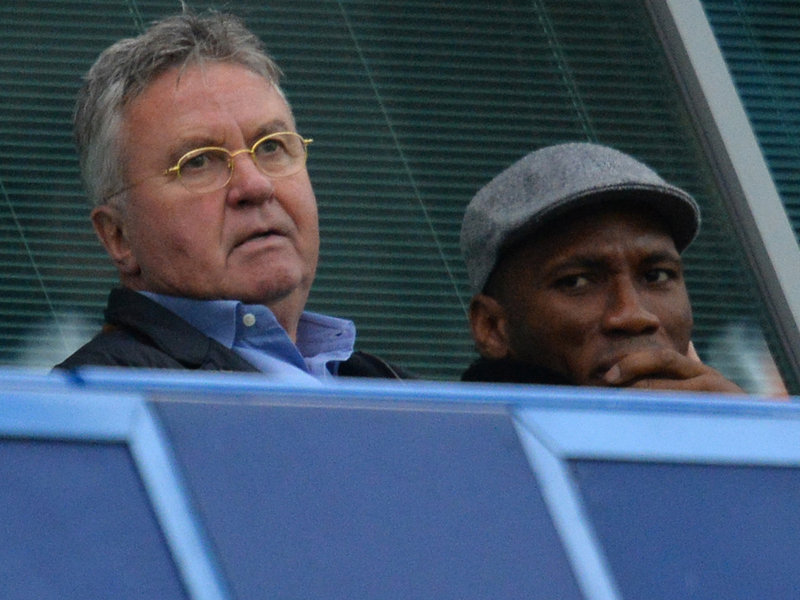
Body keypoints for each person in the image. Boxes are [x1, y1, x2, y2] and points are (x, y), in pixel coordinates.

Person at [55, 11, 406, 381]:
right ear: (118, 235)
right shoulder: (105, 394)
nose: (256, 186)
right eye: (199, 162)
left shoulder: (387, 385)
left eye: (271, 147)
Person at [460, 142, 746, 393]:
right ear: (492, 328)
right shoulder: (449, 449)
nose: (633, 316)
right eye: (576, 282)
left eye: (656, 276)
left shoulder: (735, 439)